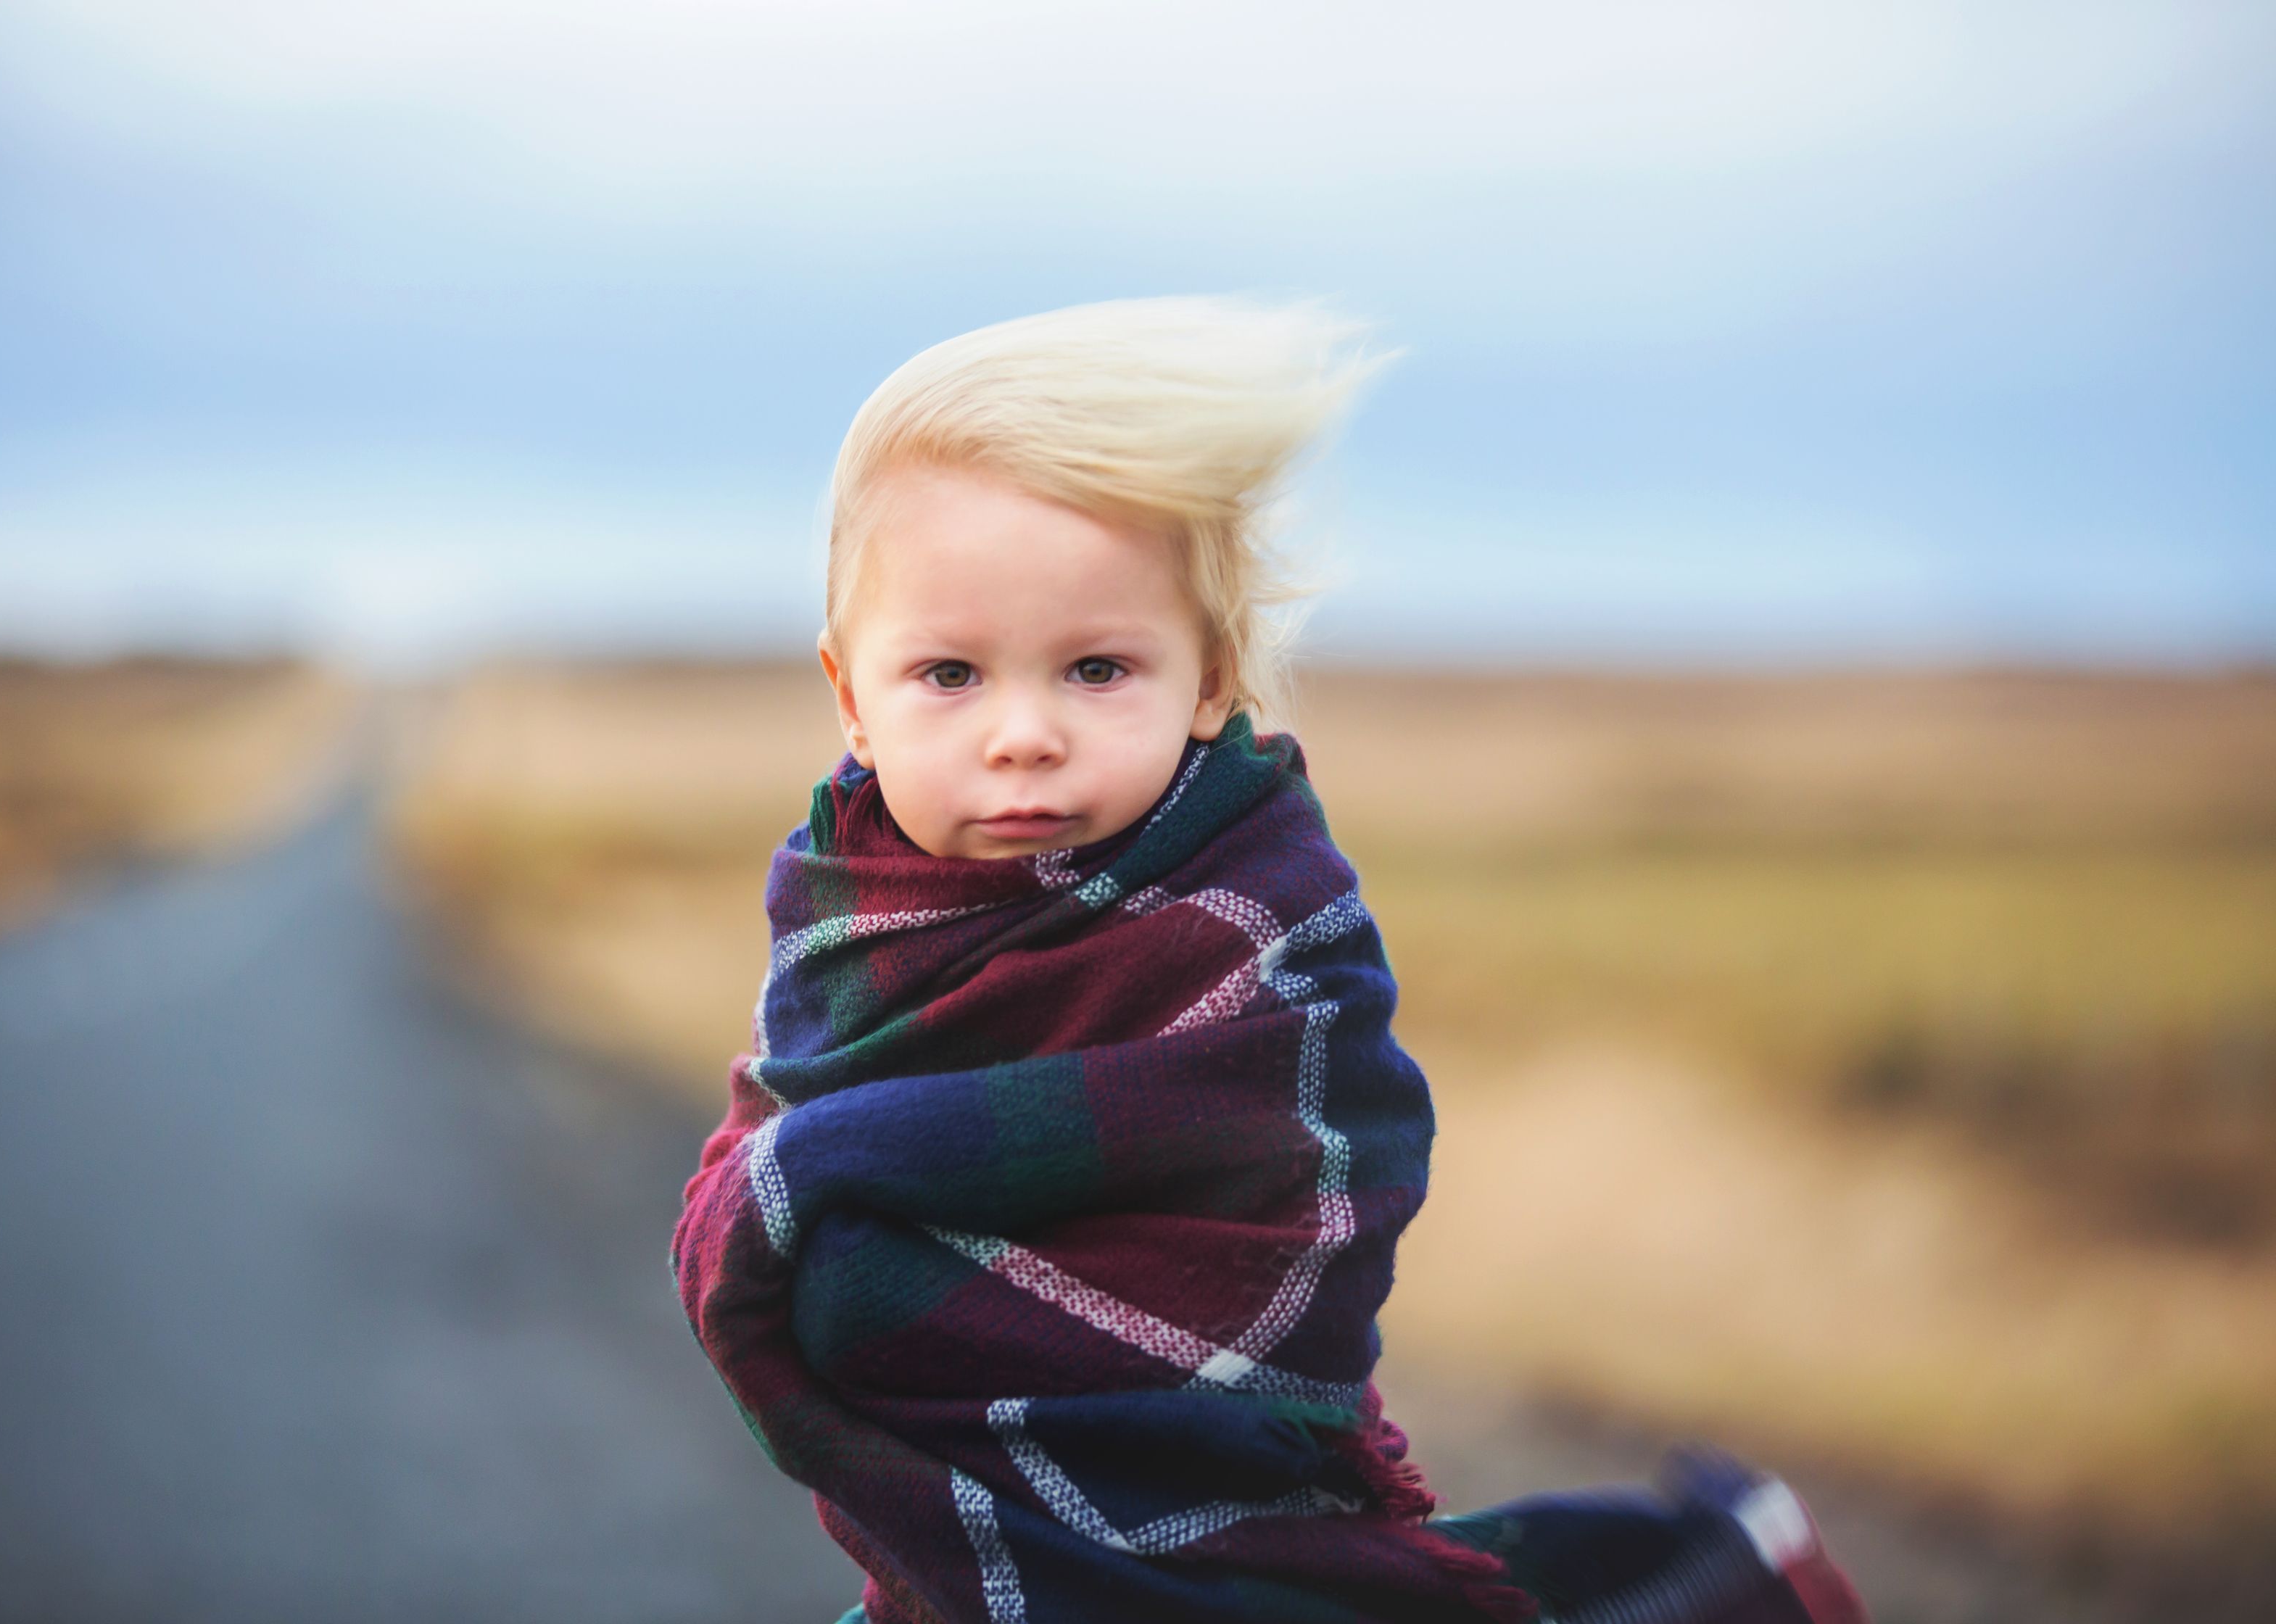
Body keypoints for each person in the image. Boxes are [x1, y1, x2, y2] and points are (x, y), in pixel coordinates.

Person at [671, 298, 1866, 1624]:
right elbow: (798, 1135)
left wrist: (848, 1240)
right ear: (851, 693)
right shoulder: (850, 906)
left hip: (1216, 1517)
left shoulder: (1258, 929)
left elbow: (1324, 1162)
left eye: (1096, 669)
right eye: (950, 674)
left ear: (1208, 679)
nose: (1024, 734)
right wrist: (804, 1201)